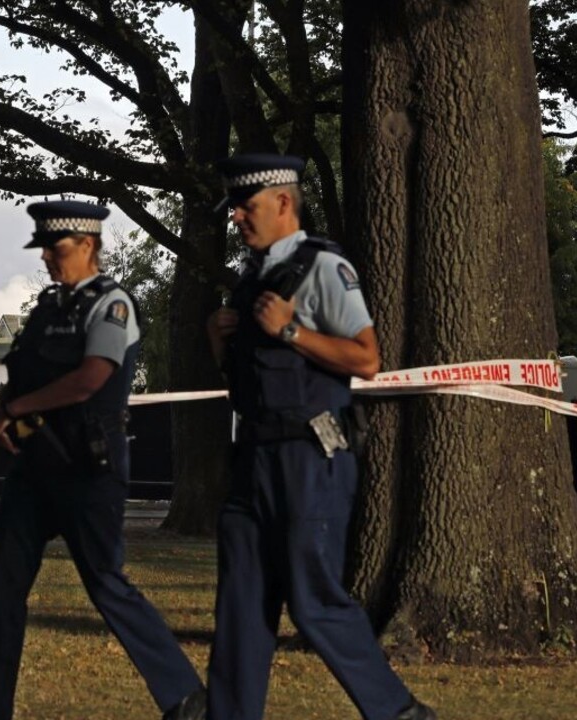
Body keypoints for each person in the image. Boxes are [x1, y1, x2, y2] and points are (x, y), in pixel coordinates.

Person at [204, 154, 437, 720]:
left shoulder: (324, 268)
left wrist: (290, 329)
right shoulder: (250, 281)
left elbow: (367, 358)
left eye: (247, 205)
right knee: (240, 605)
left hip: (311, 457)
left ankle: (400, 713)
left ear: (283, 202)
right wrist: (219, 339)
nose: (236, 216)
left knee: (314, 603)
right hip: (253, 459)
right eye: (234, 206)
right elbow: (243, 384)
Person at [0, 200, 206, 720]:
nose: (46, 257)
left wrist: (18, 407)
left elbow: (92, 376)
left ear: (87, 245)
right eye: (43, 247)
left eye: (56, 247)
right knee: (2, 587)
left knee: (107, 584)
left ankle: (186, 697)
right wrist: (2, 413)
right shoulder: (48, 308)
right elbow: (21, 373)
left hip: (89, 467)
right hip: (34, 466)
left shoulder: (112, 305)